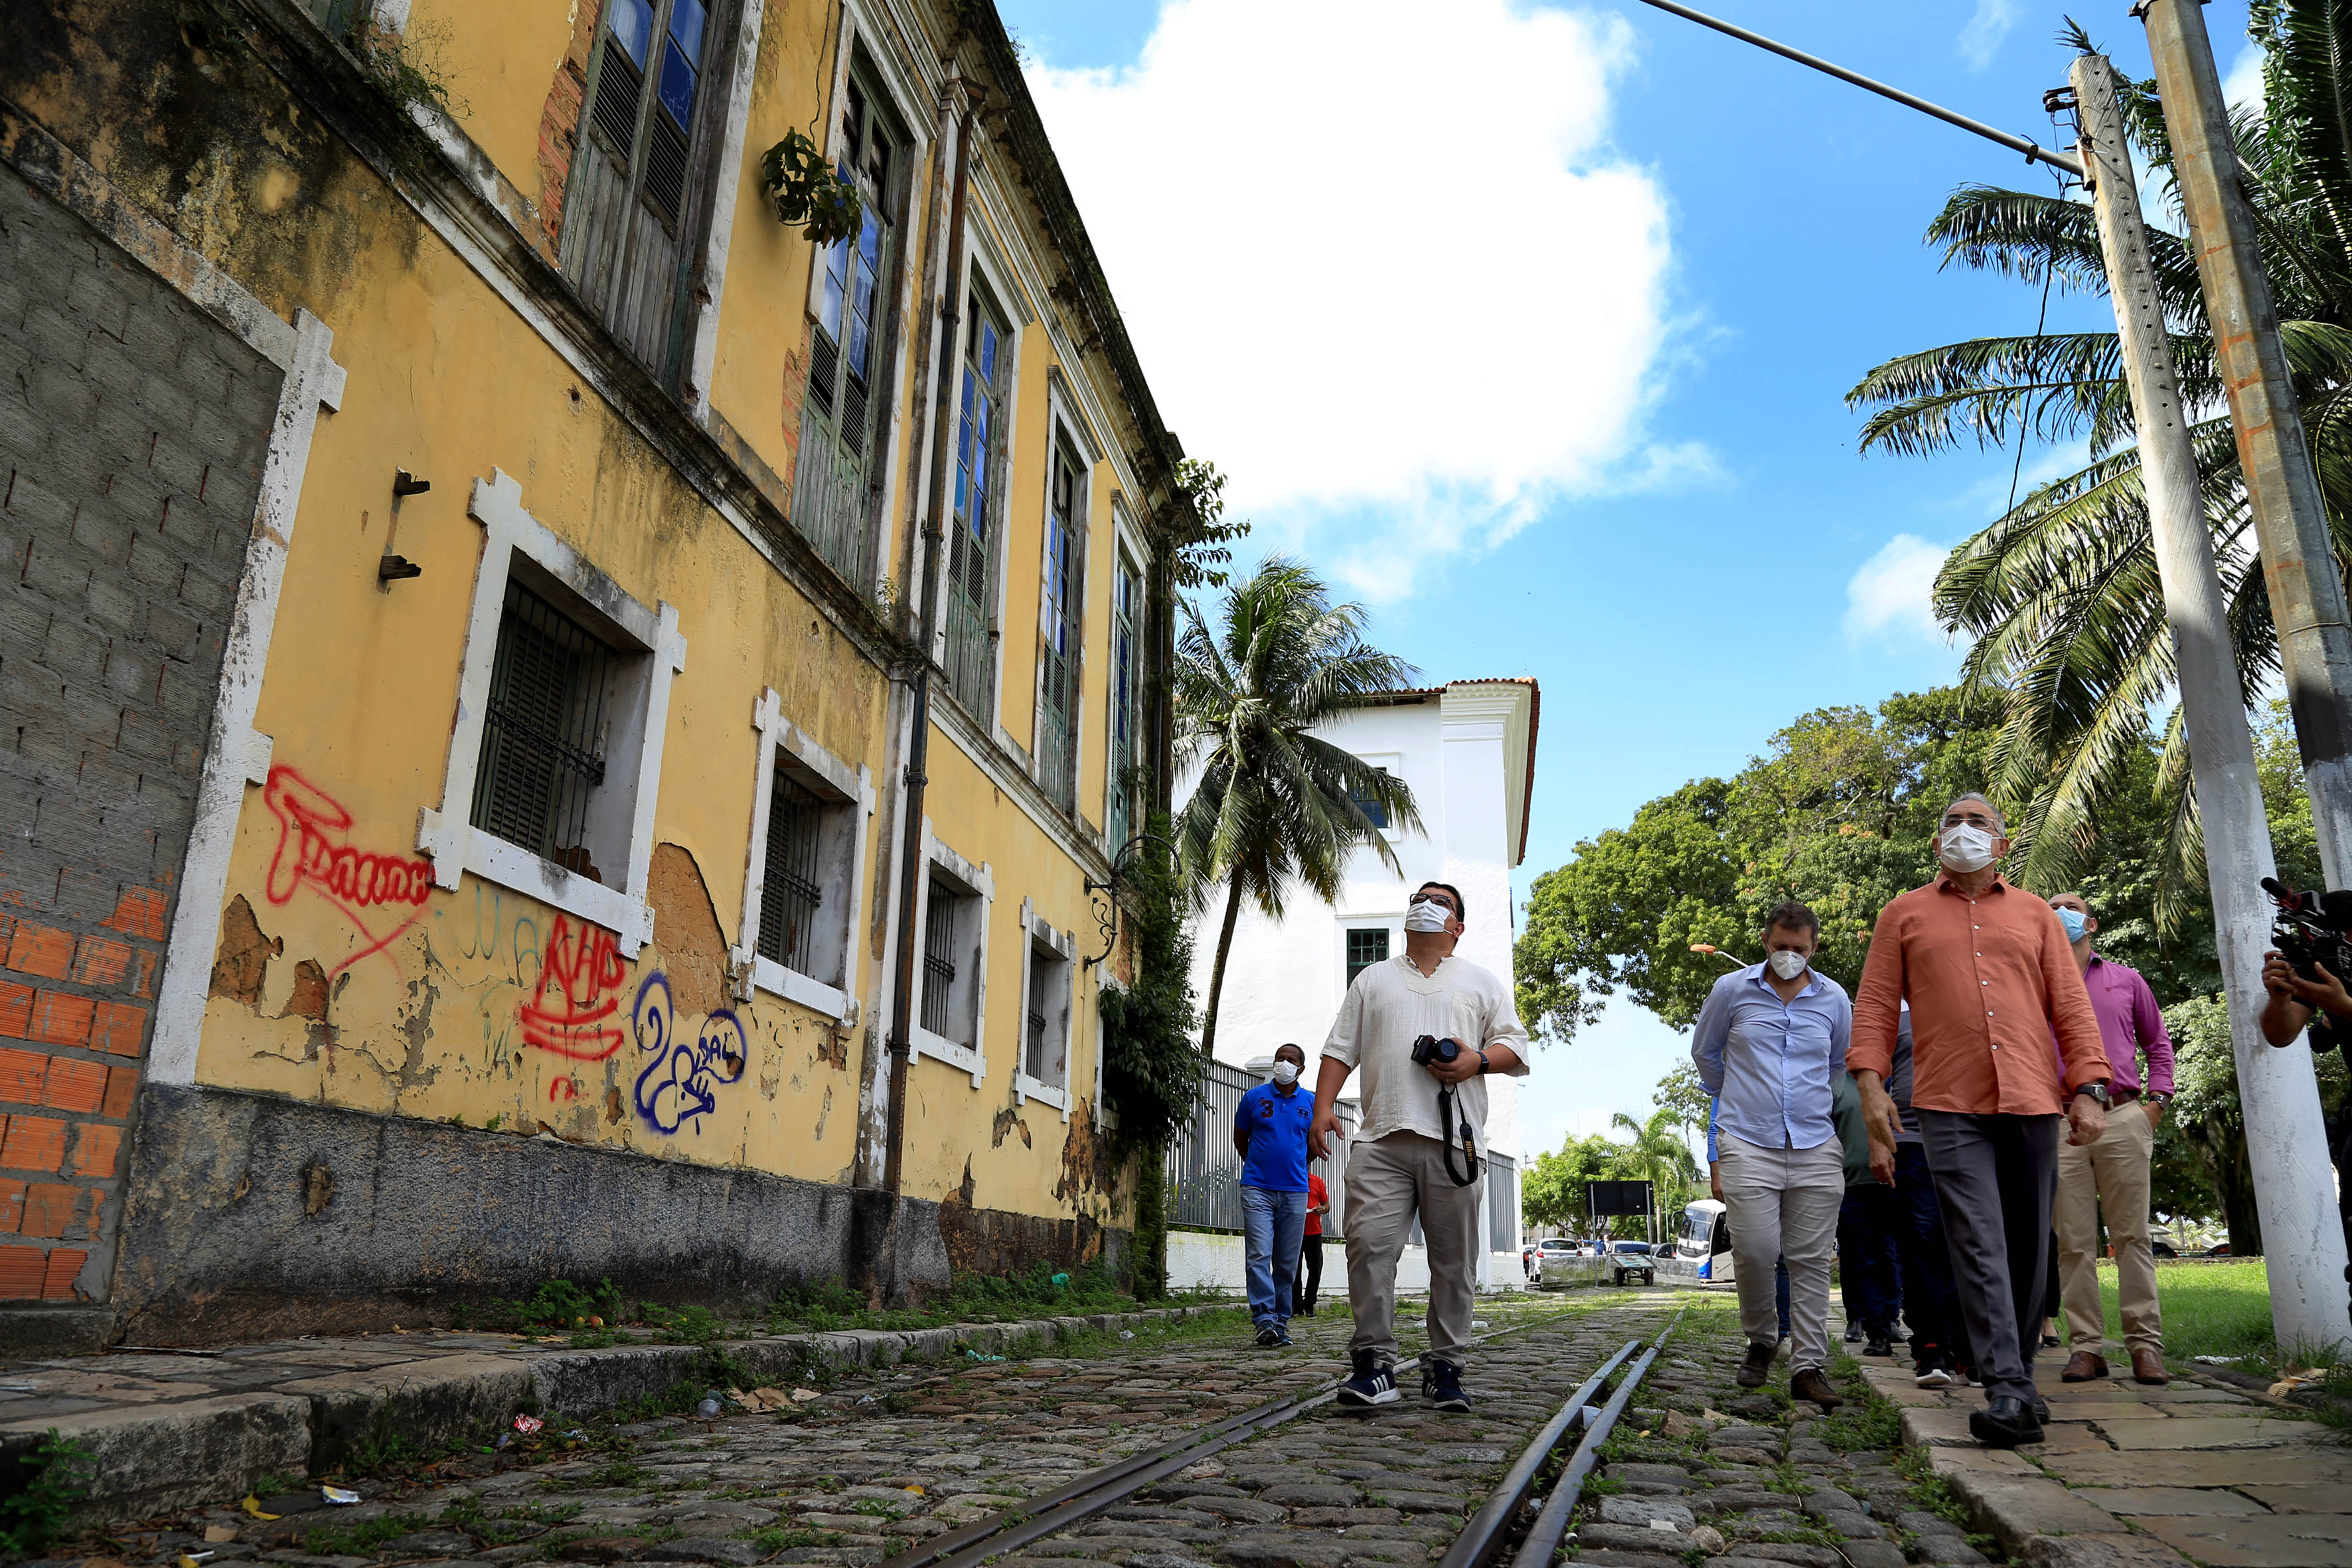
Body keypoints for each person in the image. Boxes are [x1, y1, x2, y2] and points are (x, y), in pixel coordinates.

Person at [1851, 794, 2111, 1449]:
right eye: (1952, 821)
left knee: (2029, 1248)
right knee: (1978, 1241)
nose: (1963, 830)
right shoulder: (1903, 914)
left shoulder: (2035, 916)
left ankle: (2019, 1375)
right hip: (1946, 1104)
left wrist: (2090, 1085)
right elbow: (1878, 1002)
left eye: (1979, 822)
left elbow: (2071, 1005)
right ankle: (2007, 1388)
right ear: (1937, 839)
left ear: (2001, 842)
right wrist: (1870, 1085)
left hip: (2031, 1098)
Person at [1312, 880, 1530, 1411]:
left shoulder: (1479, 981)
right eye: (1420, 898)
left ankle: (1447, 1367)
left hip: (1454, 1145)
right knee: (1367, 1250)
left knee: (1454, 1261)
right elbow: (1340, 1049)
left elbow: (1514, 1045)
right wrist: (1321, 1110)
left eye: (1441, 902)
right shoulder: (1372, 979)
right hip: (1380, 1138)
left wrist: (1474, 1061)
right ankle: (1373, 1365)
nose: (1427, 906)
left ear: (1456, 926)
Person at [1691, 901, 1851, 1411]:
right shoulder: (1730, 990)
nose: (1788, 956)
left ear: (1814, 948)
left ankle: (1807, 1366)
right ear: (1765, 942)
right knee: (1756, 1252)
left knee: (1810, 1260)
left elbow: (1836, 1062)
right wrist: (1738, 1095)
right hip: (1746, 1139)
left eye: (1798, 949)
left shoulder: (1833, 1000)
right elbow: (1705, 1053)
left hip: (1814, 1142)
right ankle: (1763, 1340)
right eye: (1780, 947)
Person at [2046, 892, 2174, 1385]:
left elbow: (2157, 1044)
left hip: (2122, 1116)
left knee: (2132, 1237)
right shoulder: (2033, 985)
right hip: (2058, 1123)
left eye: (2069, 906)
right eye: (2051, 906)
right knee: (2073, 1243)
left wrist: (2156, 1104)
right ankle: (2086, 1348)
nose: (2060, 912)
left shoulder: (2126, 980)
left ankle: (2145, 1346)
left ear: (2091, 923)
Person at [1871, 1004, 1970, 1389]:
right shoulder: (1895, 1015)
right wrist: (1879, 1143)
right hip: (1910, 1142)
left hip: (1968, 1140)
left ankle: (1970, 1348)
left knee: (1969, 1244)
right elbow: (1872, 1083)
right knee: (1922, 1242)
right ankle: (1930, 1347)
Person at [1234, 1043, 1313, 1348]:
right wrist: (1258, 1164)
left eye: (1291, 1060)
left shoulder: (1310, 1102)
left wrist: (1292, 1164)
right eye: (1280, 1058)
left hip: (1295, 1191)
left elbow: (1310, 1147)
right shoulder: (1254, 1098)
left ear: (1301, 1069)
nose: (1284, 1063)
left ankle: (1281, 1321)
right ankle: (1264, 1318)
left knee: (1287, 1262)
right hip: (1257, 1189)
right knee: (1258, 1255)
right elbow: (1242, 1138)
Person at [1292, 1169, 1330, 1315]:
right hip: (1294, 1231)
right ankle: (1296, 1306)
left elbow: (1327, 1205)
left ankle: (1309, 1304)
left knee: (1316, 1269)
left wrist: (1322, 1209)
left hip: (1314, 1232)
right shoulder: (1291, 1178)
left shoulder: (1317, 1181)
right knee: (1295, 1270)